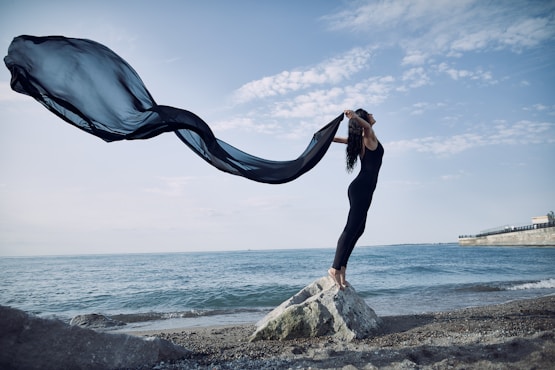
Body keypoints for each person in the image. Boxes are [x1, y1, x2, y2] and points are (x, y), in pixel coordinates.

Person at [328, 108, 384, 290]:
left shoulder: (361, 140)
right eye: (370, 113)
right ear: (364, 118)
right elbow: (366, 126)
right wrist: (353, 117)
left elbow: (340, 140)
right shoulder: (369, 135)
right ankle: (334, 268)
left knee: (359, 229)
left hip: (363, 189)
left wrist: (327, 138)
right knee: (351, 228)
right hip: (361, 188)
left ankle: (342, 267)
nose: (373, 115)